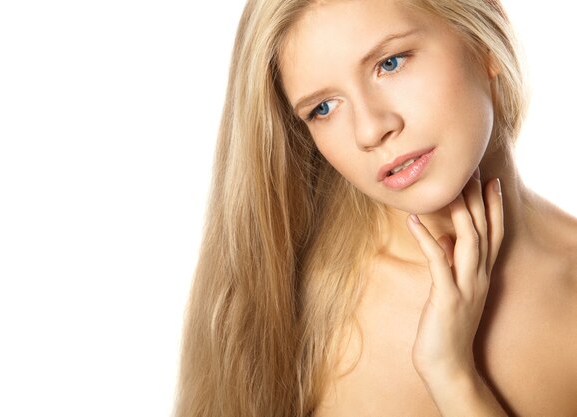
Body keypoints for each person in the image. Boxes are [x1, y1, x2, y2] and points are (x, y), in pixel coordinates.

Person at [174, 0, 577, 416]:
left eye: (390, 63)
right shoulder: (286, 300)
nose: (370, 129)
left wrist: (453, 377)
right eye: (323, 109)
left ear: (483, 37)